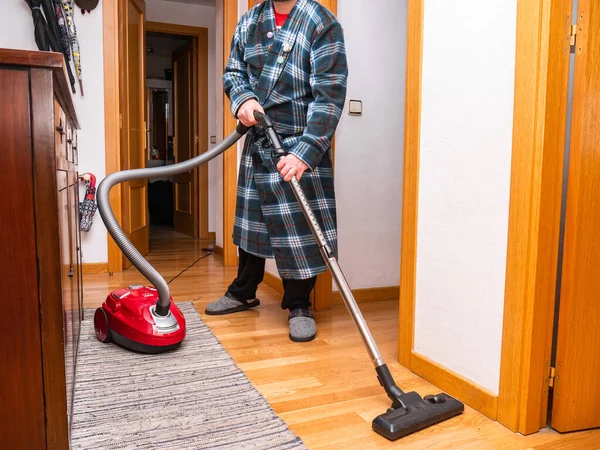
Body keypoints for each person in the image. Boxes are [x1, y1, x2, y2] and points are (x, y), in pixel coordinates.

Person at [205, 0, 348, 343]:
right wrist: (242, 100)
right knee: (253, 224)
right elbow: (233, 72)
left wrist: (304, 153)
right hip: (259, 141)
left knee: (299, 230)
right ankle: (244, 291)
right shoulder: (249, 21)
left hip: (297, 145)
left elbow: (329, 96)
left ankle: (299, 305)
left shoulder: (321, 23)